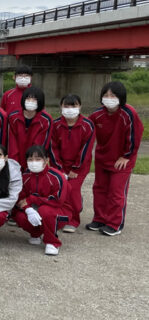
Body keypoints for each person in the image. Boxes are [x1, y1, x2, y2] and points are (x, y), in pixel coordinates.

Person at [87, 81, 144, 236]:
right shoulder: (97, 114)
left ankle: (114, 223)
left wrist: (127, 156)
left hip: (122, 160)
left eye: (113, 95)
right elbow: (85, 128)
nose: (109, 98)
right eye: (106, 95)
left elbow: (135, 135)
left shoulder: (129, 113)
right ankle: (100, 218)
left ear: (121, 97)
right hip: (102, 157)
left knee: (116, 192)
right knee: (99, 189)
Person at [49, 94, 95, 232]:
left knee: (72, 190)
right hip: (60, 165)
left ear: (80, 106)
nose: (70, 109)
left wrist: (76, 168)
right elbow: (53, 147)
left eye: (73, 106)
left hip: (79, 166)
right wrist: (59, 168)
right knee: (61, 189)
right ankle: (63, 216)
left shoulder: (87, 125)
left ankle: (74, 219)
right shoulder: (56, 125)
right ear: (61, 107)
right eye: (66, 106)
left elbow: (86, 149)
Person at [12, 145, 68, 256]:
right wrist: (28, 209)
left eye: (38, 159)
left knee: (44, 210)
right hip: (35, 208)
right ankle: (35, 233)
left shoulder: (57, 176)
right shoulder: (25, 176)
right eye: (30, 159)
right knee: (18, 215)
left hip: (59, 211)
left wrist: (33, 199)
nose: (34, 162)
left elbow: (58, 200)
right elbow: (19, 199)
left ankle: (52, 242)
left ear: (46, 160)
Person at [7, 86, 52, 170]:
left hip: (34, 161)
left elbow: (41, 144)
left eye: (34, 99)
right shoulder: (13, 117)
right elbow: (12, 143)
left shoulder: (46, 119)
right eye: (28, 99)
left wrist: (32, 162)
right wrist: (14, 163)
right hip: (16, 158)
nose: (31, 102)